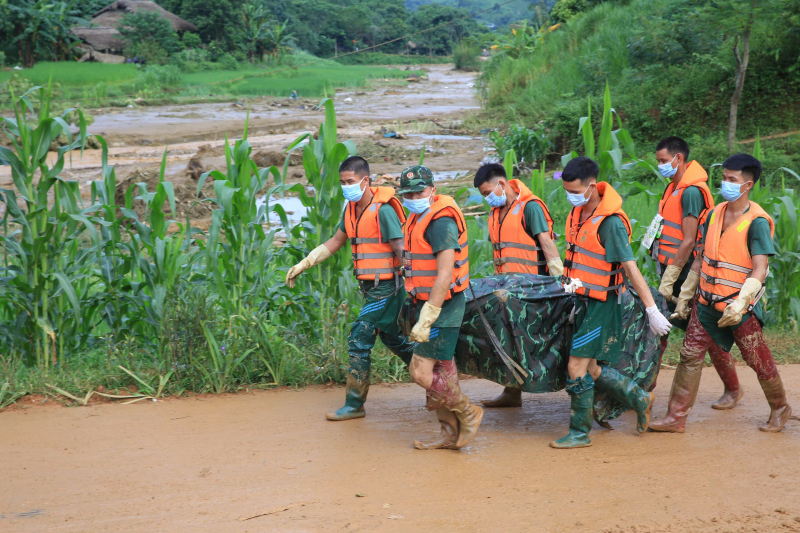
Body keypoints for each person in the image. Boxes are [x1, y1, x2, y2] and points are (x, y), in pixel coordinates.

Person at [649, 154, 792, 433]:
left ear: (747, 184)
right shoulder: (714, 214)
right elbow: (701, 258)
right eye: (723, 177)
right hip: (705, 303)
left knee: (756, 358)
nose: (724, 183)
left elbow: (760, 268)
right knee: (689, 355)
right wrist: (683, 293)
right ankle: (675, 417)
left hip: (737, 307)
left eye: (732, 179)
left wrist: (740, 303)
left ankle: (780, 407)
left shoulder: (757, 222)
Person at [551, 157, 672, 449]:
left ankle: (579, 433)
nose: (571, 196)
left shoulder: (611, 223)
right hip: (580, 300)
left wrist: (651, 310)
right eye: (567, 190)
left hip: (602, 306)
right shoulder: (578, 213)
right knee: (591, 368)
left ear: (592, 186)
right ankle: (639, 398)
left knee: (576, 367)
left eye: (575, 191)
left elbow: (631, 268)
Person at [285, 156, 415, 421]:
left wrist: (416, 285)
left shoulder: (383, 210)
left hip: (388, 287)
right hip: (370, 288)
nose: (346, 186)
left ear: (365, 180)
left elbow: (402, 250)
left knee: (359, 336)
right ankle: (438, 378)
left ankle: (355, 405)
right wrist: (305, 262)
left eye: (351, 181)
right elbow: (336, 240)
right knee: (394, 340)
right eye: (343, 182)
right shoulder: (351, 209)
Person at [398, 165, 484, 450]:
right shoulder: (418, 216)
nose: (413, 196)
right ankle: (449, 433)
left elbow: (445, 275)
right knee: (442, 372)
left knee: (421, 372)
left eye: (419, 190)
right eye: (408, 192)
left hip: (442, 306)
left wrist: (427, 317)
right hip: (427, 302)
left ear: (432, 189)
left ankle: (469, 410)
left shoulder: (441, 222)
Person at [652, 137, 741, 409]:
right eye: (658, 161)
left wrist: (670, 278)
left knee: (704, 332)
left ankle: (733, 389)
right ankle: (645, 388)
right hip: (671, 271)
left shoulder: (691, 191)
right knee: (660, 329)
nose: (660, 166)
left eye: (664, 161)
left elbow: (689, 240)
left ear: (679, 159)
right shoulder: (673, 188)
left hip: (687, 276)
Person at [473, 162, 563, 408]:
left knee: (533, 341)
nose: (487, 199)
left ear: (501, 184)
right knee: (508, 340)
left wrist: (560, 280)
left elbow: (547, 244)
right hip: (507, 290)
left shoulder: (530, 208)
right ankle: (512, 393)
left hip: (531, 289)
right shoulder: (497, 211)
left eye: (487, 193)